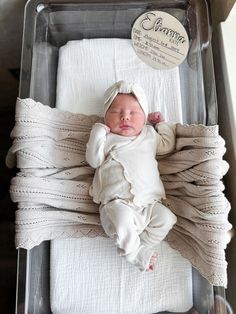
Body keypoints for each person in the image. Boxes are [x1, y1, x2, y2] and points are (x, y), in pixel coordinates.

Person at [86, 80, 177, 272]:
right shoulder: (108, 139)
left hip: (147, 204)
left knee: (167, 218)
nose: (125, 117)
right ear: (105, 118)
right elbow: (94, 160)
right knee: (121, 222)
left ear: (144, 117)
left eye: (133, 113)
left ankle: (141, 243)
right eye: (116, 112)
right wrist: (97, 133)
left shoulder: (149, 134)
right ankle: (134, 254)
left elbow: (167, 145)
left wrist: (161, 124)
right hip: (116, 203)